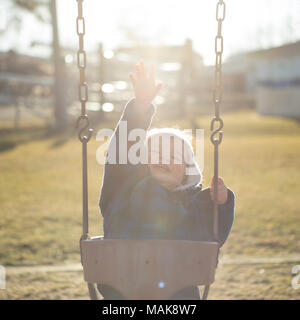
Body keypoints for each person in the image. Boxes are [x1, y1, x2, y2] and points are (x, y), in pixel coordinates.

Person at [98, 61, 235, 299]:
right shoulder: (122, 190)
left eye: (173, 156)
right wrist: (140, 107)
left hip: (177, 294)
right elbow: (122, 151)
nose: (163, 158)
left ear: (187, 172)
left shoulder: (195, 206)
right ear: (138, 160)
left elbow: (211, 238)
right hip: (123, 292)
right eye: (154, 152)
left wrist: (220, 204)